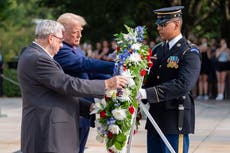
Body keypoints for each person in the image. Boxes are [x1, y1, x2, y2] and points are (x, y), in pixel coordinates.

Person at [17, 19, 127, 153]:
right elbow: (67, 84)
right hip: (48, 133)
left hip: (52, 131)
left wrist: (88, 107)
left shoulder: (35, 55)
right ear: (51, 38)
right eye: (60, 40)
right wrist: (106, 84)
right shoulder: (38, 58)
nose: (62, 45)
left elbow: (57, 92)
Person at [139, 6, 201, 153]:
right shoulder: (157, 50)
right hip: (155, 116)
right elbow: (151, 78)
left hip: (174, 117)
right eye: (158, 25)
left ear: (177, 24)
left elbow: (183, 84)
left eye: (163, 24)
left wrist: (148, 94)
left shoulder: (188, 51)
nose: (159, 28)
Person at [53, 13, 114, 153]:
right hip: (71, 110)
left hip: (84, 111)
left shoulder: (76, 49)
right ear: (62, 32)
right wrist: (115, 66)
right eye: (75, 32)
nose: (79, 35)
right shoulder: (61, 50)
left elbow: (90, 73)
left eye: (81, 32)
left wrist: (115, 78)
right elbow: (84, 64)